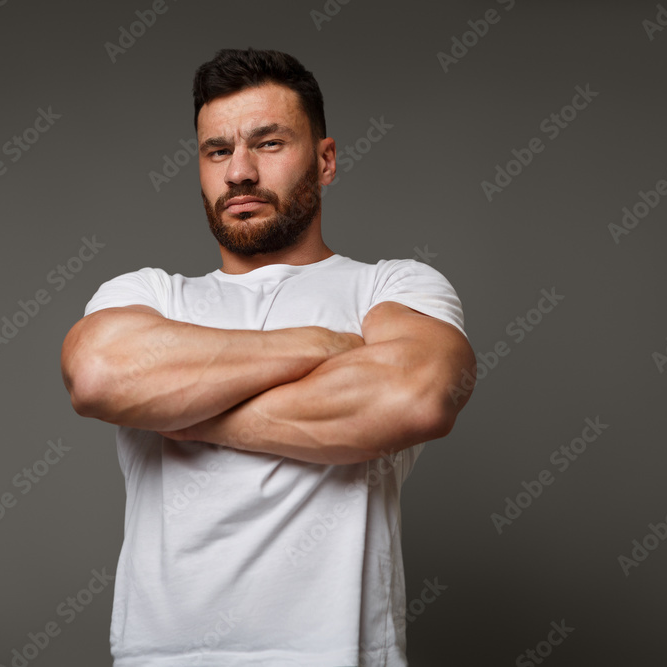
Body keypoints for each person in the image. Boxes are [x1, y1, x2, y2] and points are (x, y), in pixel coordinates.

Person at [60, 47, 476, 666]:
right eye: (217, 151)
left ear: (326, 160)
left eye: (269, 144)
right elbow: (96, 375)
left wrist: (182, 409)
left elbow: (414, 397)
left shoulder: (392, 288)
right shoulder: (148, 294)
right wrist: (322, 346)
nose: (239, 173)